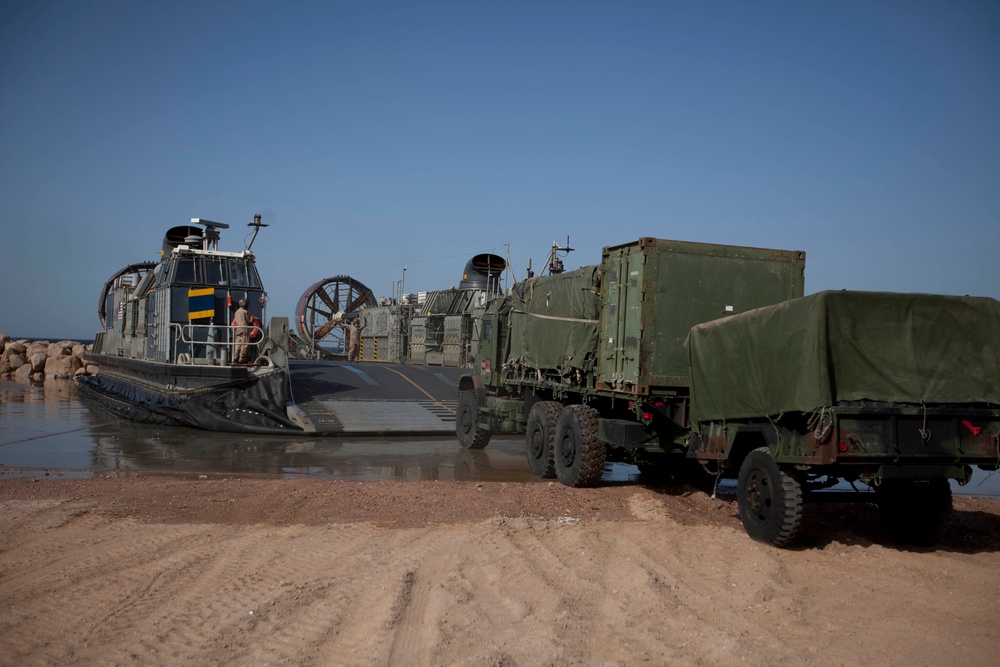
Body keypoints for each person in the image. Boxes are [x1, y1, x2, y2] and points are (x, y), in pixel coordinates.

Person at [231, 298, 253, 364]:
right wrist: (253, 319)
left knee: (238, 344)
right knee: (245, 344)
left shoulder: (237, 312)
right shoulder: (245, 312)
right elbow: (249, 320)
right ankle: (242, 359)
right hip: (244, 328)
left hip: (238, 329)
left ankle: (235, 358)